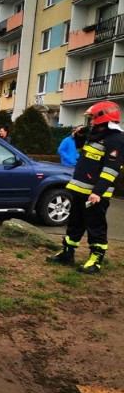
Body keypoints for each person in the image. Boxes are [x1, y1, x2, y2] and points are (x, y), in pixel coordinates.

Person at [46, 101, 124, 274]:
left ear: (102, 118)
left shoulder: (116, 139)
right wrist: (80, 137)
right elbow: (87, 154)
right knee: (75, 224)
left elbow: (111, 169)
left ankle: (95, 260)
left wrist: (97, 192)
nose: (90, 122)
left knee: (95, 226)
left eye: (92, 118)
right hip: (80, 190)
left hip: (95, 194)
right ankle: (67, 254)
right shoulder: (96, 134)